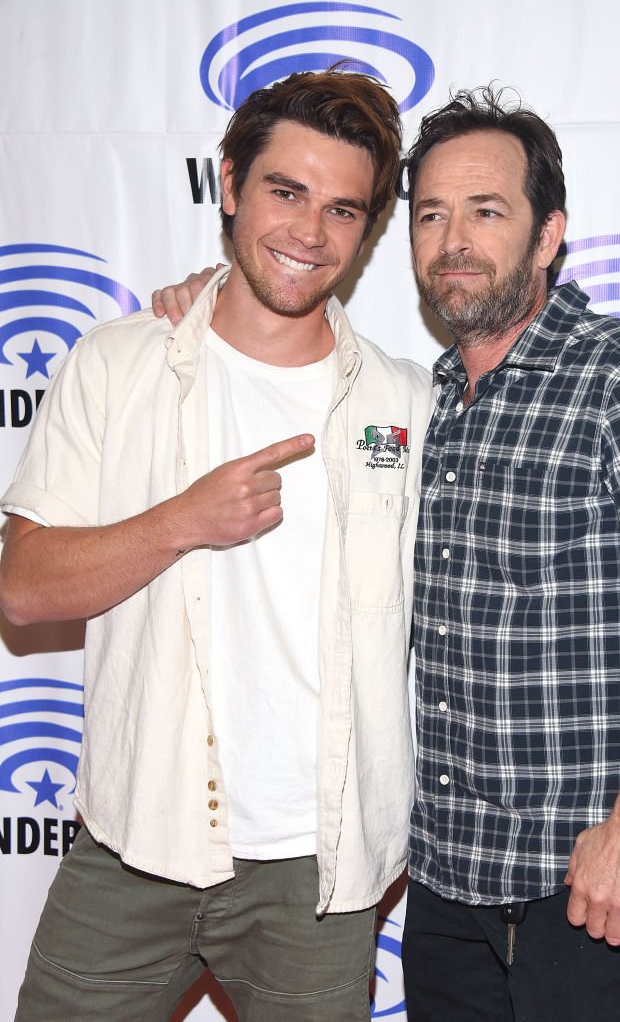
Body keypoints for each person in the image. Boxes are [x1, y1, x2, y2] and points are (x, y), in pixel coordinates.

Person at [160, 85, 620, 1022]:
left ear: (547, 235)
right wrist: (204, 300)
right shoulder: (424, 400)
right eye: (430, 213)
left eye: (486, 211)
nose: (453, 239)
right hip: (445, 889)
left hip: (586, 886)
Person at [0, 68, 432, 1022]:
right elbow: (23, 589)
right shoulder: (118, 364)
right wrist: (180, 521)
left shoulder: (407, 404)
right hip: (134, 845)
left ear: (367, 230)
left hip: (316, 877)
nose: (309, 233)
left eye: (342, 209)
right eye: (285, 192)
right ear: (229, 184)